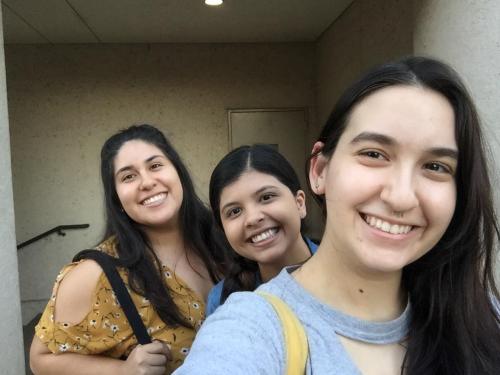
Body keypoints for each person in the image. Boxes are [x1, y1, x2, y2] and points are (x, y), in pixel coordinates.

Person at [174, 57, 500, 375]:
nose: (401, 196)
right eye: (374, 154)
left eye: (435, 166)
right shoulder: (248, 326)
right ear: (319, 170)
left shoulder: (481, 312)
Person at [30, 124, 224, 374]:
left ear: (178, 173)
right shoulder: (99, 274)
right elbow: (41, 359)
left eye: (155, 166)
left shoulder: (225, 239)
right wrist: (121, 371)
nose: (147, 182)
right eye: (128, 176)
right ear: (117, 199)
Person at [205, 145, 318, 315]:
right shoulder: (222, 300)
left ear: (300, 203)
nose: (252, 218)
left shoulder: (353, 275)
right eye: (234, 211)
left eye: (266, 197)